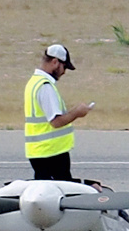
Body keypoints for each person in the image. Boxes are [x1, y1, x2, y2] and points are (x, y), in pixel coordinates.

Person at [24, 43, 91, 181]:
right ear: (55, 62)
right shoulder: (45, 87)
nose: (64, 71)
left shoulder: (34, 82)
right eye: (64, 67)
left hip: (41, 151)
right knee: (62, 189)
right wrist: (77, 112)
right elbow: (56, 121)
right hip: (50, 152)